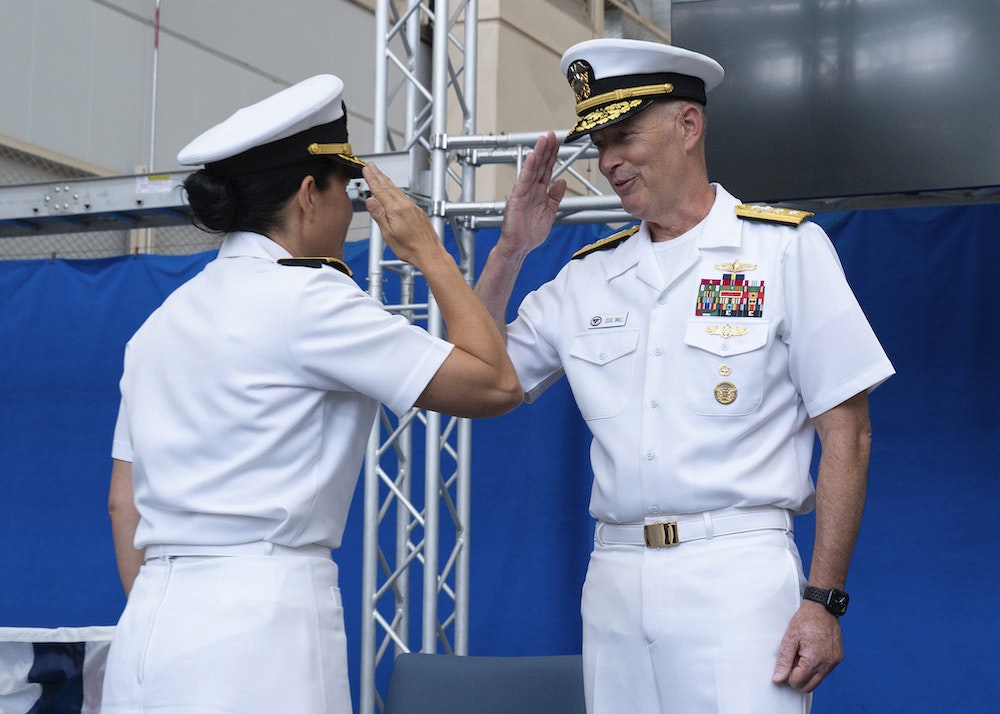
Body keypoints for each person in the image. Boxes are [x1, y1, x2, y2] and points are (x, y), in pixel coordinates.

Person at [475, 38, 895, 713]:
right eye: (598, 143)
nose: (608, 161)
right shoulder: (589, 276)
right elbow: (481, 377)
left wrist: (823, 600)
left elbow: (848, 433)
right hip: (613, 576)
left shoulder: (783, 249)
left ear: (688, 126)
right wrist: (510, 250)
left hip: (736, 571)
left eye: (623, 136)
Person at [102, 74, 522, 713]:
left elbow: (121, 502)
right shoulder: (311, 300)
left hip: (152, 627)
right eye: (345, 190)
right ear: (308, 194)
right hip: (262, 625)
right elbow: (495, 383)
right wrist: (430, 253)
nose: (352, 209)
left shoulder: (160, 324)